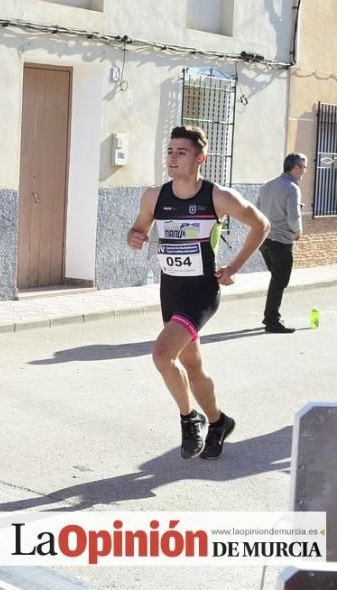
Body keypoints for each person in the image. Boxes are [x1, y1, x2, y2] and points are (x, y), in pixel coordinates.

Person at [127, 126, 270, 460]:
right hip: (171, 291)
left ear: (199, 158)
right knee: (193, 367)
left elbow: (261, 224)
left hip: (201, 292)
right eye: (170, 152)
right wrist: (133, 236)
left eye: (182, 153)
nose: (173, 158)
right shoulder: (154, 196)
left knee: (163, 355)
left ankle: (189, 419)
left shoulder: (217, 197)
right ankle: (219, 422)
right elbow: (138, 228)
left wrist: (233, 267)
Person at [256, 153, 308, 333]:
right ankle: (271, 320)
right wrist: (297, 232)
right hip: (281, 241)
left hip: (265, 241)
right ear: (295, 168)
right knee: (280, 281)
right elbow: (294, 216)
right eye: (304, 167)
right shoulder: (292, 187)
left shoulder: (267, 186)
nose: (305, 170)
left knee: (276, 279)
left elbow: (257, 211)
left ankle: (270, 317)